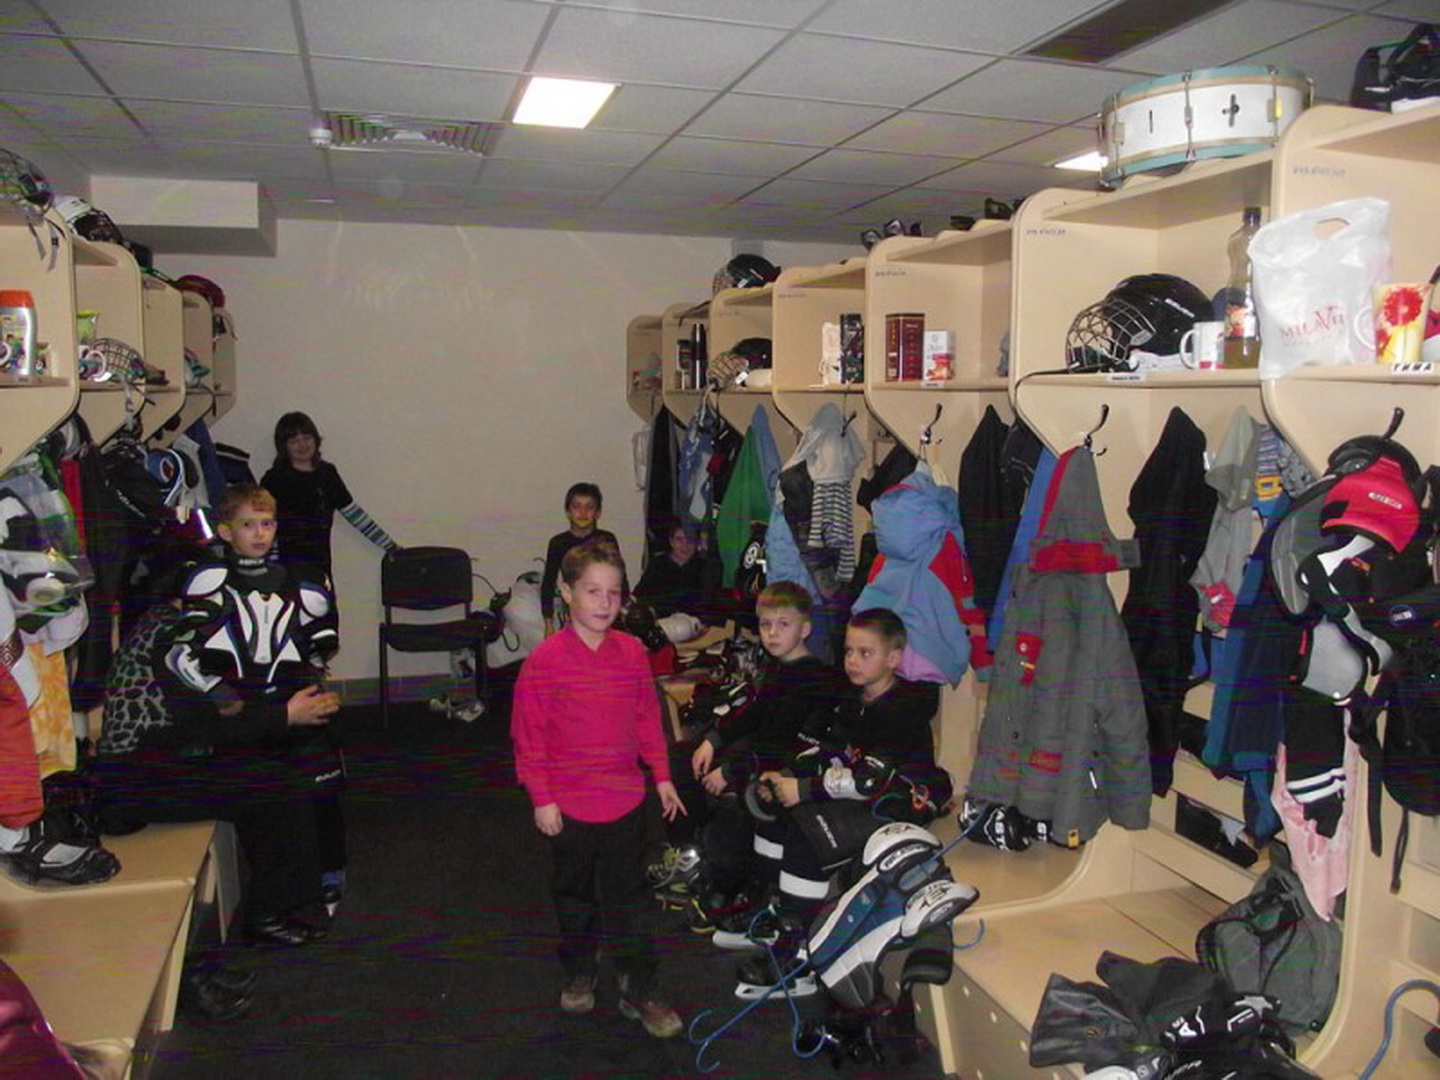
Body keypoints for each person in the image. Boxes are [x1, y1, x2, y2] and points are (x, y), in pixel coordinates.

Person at [94, 577, 340, 956]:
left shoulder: (176, 625)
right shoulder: (172, 639)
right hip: (140, 780)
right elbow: (204, 726)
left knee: (273, 769)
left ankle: (285, 897)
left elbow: (223, 704)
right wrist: (286, 715)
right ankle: (267, 913)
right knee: (279, 785)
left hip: (158, 761)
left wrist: (280, 708)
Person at [510, 538, 685, 1039]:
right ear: (567, 593)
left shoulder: (631, 653)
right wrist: (542, 798)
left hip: (625, 803)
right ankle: (580, 968)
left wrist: (662, 775)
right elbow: (528, 738)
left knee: (630, 900)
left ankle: (638, 985)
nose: (606, 603)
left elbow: (647, 719)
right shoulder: (545, 662)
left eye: (614, 592)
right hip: (569, 809)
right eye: (593, 591)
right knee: (575, 896)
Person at [728, 608, 950, 998]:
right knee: (776, 814)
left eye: (865, 653)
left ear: (894, 658)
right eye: (848, 651)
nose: (852, 661)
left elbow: (867, 780)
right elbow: (828, 751)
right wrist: (787, 776)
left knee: (808, 834)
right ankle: (776, 915)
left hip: (895, 806)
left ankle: (801, 958)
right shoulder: (853, 699)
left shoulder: (904, 709)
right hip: (856, 796)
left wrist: (804, 789)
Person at [162, 484, 351, 928]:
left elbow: (316, 646)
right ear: (227, 531)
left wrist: (313, 681)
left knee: (318, 795)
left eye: (267, 524)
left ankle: (318, 882)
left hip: (289, 706)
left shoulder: (298, 580)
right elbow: (179, 655)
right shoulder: (211, 581)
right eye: (248, 525)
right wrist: (218, 691)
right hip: (243, 718)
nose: (260, 533)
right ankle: (272, 907)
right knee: (268, 814)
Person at [650, 582, 838, 932]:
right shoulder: (781, 667)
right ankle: (691, 854)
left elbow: (778, 742)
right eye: (766, 624)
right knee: (681, 757)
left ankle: (724, 885)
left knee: (736, 805)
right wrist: (713, 740)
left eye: (783, 624)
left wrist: (731, 770)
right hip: (760, 755)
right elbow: (754, 713)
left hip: (785, 769)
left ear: (805, 629)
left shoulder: (810, 676)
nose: (772, 633)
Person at [260, 411, 399, 580]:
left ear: (316, 439)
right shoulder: (274, 479)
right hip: (284, 567)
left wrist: (389, 546)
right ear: (284, 446)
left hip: (321, 564)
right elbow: (262, 524)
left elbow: (354, 513)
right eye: (294, 441)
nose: (302, 445)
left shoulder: (327, 474)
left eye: (307, 438)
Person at [539, 483, 623, 636]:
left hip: (608, 610)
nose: (583, 512)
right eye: (576, 507)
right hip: (575, 613)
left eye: (589, 507)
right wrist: (548, 624)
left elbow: (621, 581)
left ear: (598, 513)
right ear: (568, 512)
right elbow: (548, 583)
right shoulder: (558, 543)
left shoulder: (607, 539)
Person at [633, 517, 707, 621]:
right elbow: (639, 596)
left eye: (690, 540)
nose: (685, 545)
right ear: (671, 541)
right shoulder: (657, 565)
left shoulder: (704, 568)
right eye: (679, 539)